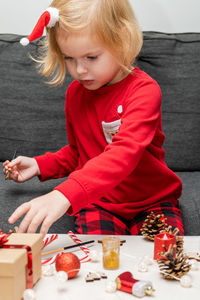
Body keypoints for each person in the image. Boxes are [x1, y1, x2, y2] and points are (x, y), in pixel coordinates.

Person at [3, 0, 184, 236]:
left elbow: (123, 154)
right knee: (95, 265)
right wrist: (39, 165)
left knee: (166, 260)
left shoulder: (144, 91)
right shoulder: (75, 94)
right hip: (98, 202)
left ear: (122, 40)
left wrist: (64, 193)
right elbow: (81, 152)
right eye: (69, 58)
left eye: (91, 57)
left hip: (152, 201)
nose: (79, 70)